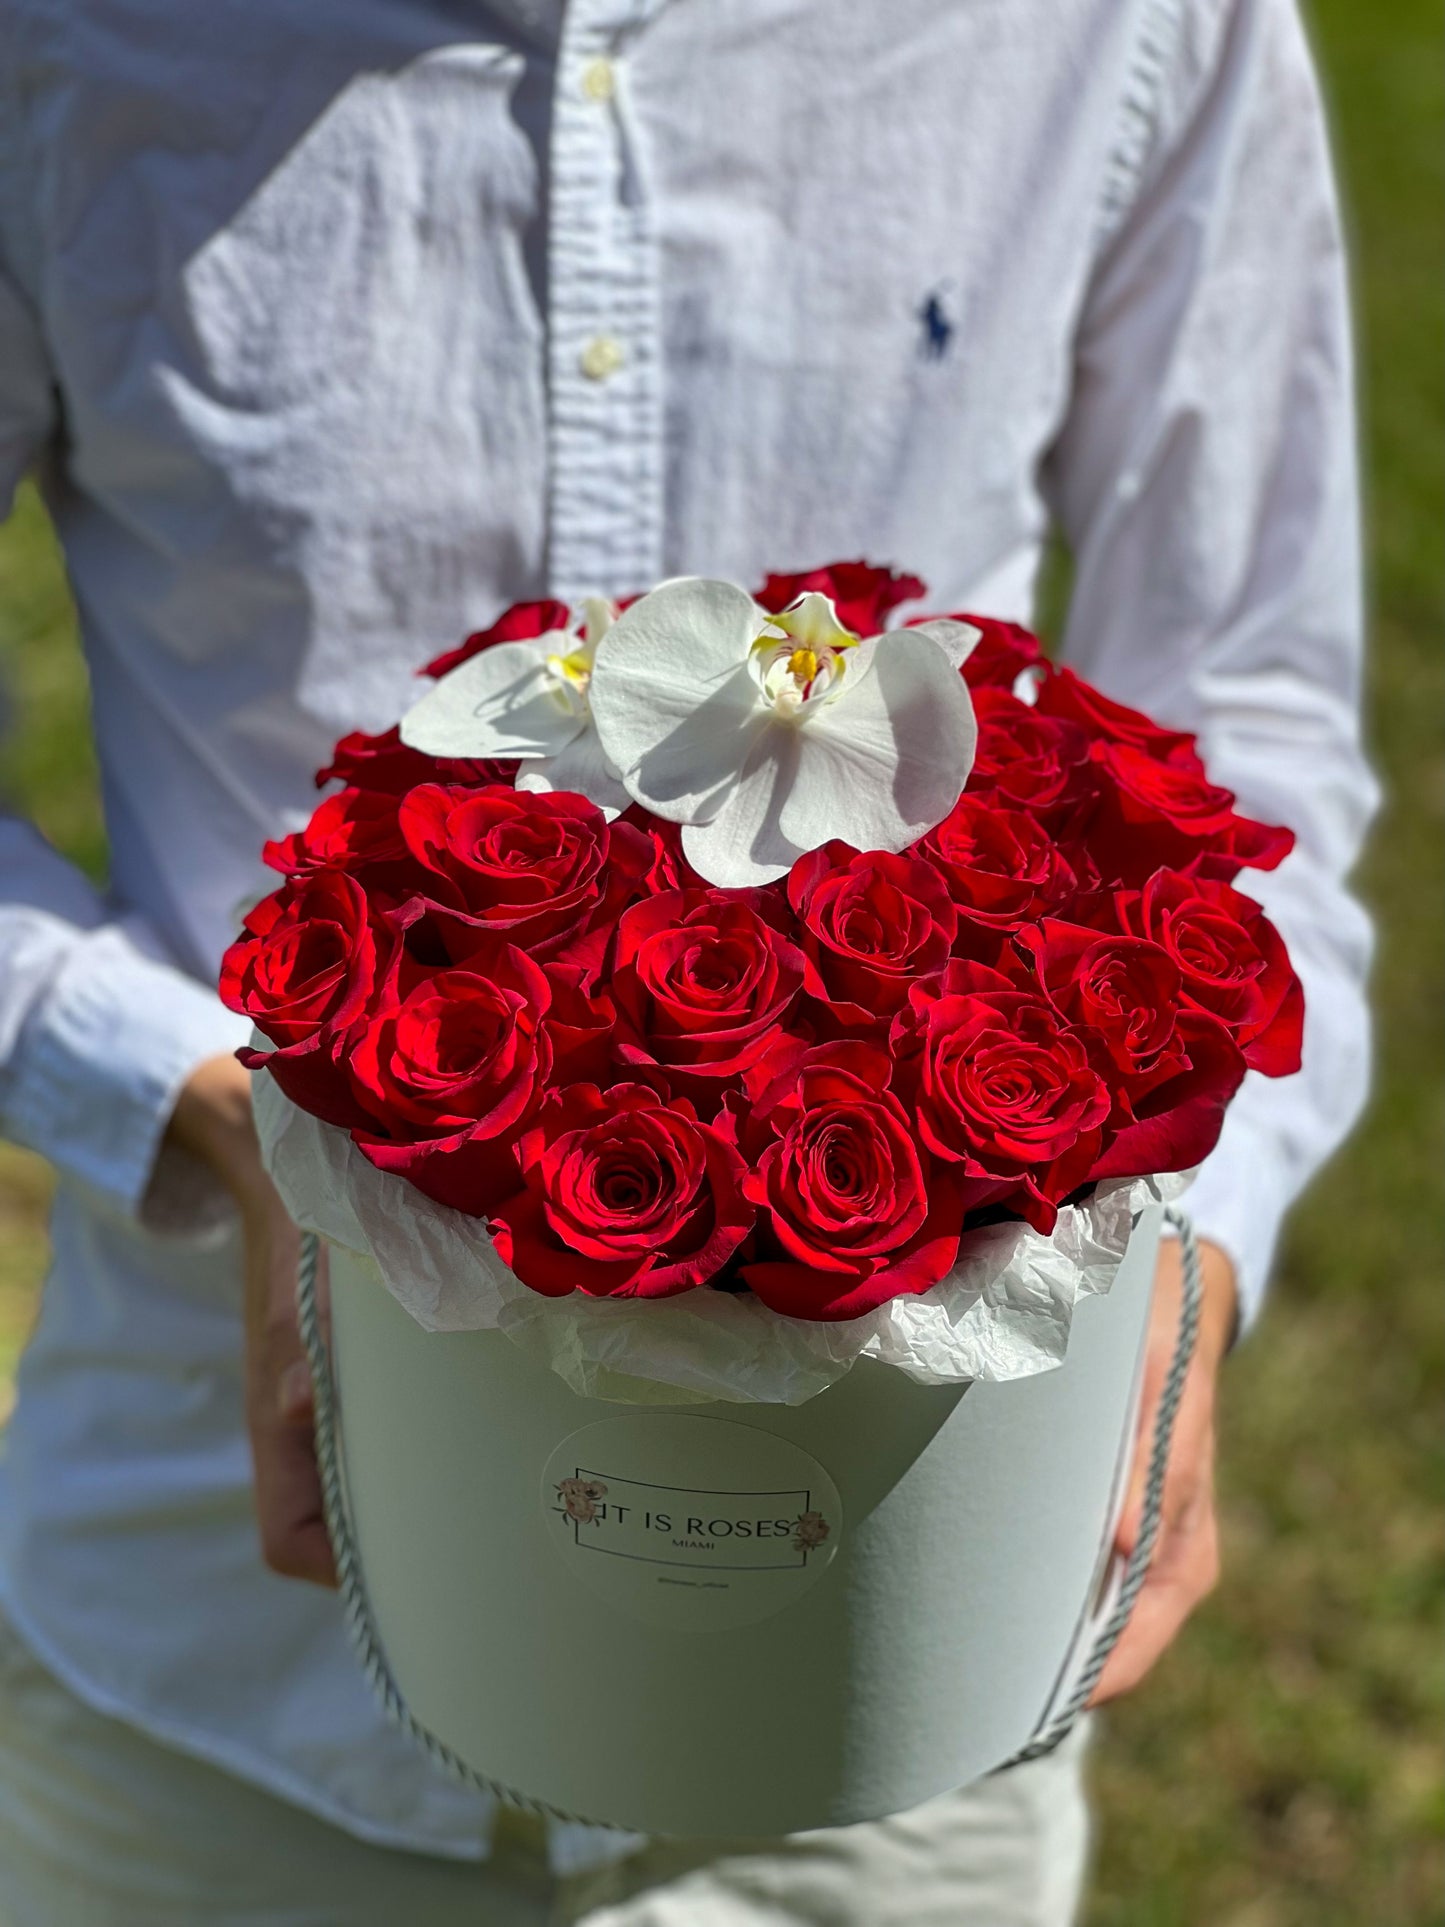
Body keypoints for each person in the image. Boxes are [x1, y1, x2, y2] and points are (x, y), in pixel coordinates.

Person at [0, 0, 1376, 1919]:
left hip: (909, 1652)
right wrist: (224, 1114)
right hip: (214, 1678)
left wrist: (1187, 1255)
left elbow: (1247, 699)